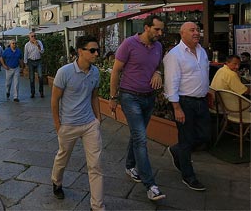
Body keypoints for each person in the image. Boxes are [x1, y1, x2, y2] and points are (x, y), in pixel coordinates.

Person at [109, 15, 166, 201]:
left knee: (136, 135)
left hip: (149, 98)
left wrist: (158, 72)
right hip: (129, 96)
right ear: (147, 27)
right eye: (157, 29)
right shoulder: (129, 43)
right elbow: (116, 71)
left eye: (161, 30)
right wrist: (113, 97)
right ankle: (151, 185)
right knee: (141, 139)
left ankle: (129, 165)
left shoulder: (158, 46)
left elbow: (158, 65)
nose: (160, 33)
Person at [50, 35, 104, 211]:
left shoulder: (95, 72)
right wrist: (59, 126)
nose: (96, 53)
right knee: (63, 157)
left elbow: (94, 96)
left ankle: (97, 206)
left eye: (97, 50)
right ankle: (56, 182)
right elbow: (54, 100)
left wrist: (98, 118)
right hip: (69, 125)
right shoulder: (64, 72)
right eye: (92, 50)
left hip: (89, 124)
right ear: (80, 52)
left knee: (95, 165)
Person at [163, 22, 210, 192]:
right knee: (186, 139)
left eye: (198, 29)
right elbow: (170, 83)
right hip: (185, 102)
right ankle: (188, 176)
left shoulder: (202, 51)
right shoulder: (174, 55)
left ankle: (176, 150)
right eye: (192, 30)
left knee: (205, 136)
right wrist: (176, 108)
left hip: (202, 101)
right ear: (182, 33)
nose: (196, 33)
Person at [24, 31, 44, 98]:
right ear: (29, 37)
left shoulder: (39, 42)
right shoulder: (27, 45)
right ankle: (32, 92)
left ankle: (41, 92)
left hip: (38, 61)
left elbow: (42, 51)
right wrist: (25, 64)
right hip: (31, 61)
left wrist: (37, 45)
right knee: (32, 78)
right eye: (32, 36)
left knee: (41, 77)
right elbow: (25, 54)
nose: (34, 37)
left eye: (35, 36)